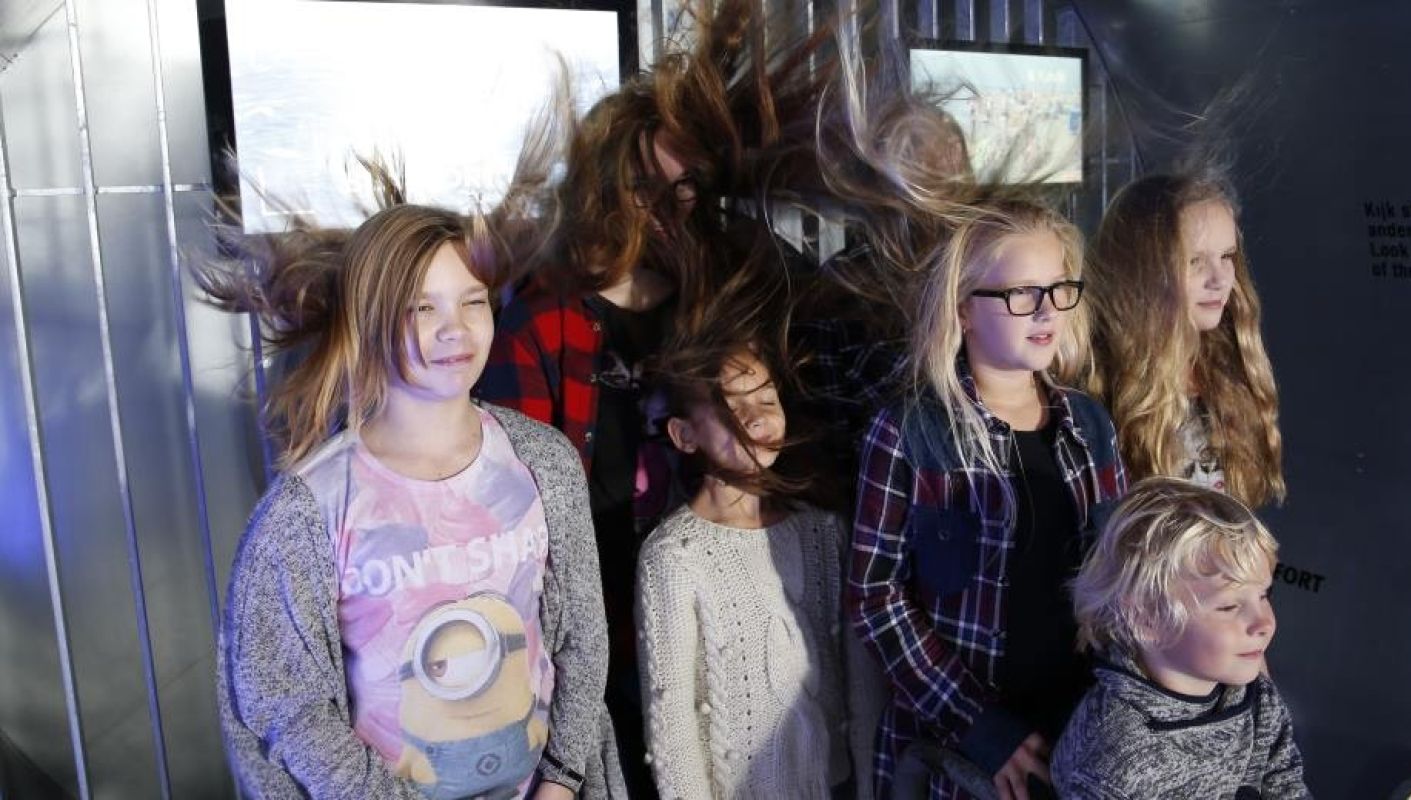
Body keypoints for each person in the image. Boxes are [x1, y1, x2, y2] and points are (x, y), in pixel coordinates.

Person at [208, 202, 618, 798]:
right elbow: (286, 706)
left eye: (472, 301)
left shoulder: (544, 461)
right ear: (368, 321)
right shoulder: (306, 511)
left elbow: (582, 634)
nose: (455, 329)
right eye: (422, 308)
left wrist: (562, 780)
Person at [849, 198, 1127, 800]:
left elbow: (1118, 581)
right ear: (963, 312)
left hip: (1076, 736)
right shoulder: (909, 433)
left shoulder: (1090, 426)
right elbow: (875, 599)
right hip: (957, 749)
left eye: (1058, 288)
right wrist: (980, 727)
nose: (1047, 310)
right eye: (1021, 293)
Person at [635, 314, 855, 797]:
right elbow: (671, 722)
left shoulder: (823, 532)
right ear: (683, 435)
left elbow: (859, 678)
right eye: (732, 408)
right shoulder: (674, 556)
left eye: (767, 400)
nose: (756, 417)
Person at [1052, 476, 1309, 798]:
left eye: (1263, 594)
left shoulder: (1257, 696)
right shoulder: (1116, 767)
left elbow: (1284, 782)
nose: (1263, 622)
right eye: (1229, 606)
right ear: (1147, 619)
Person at [1076, 172, 1285, 507]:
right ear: (1142, 271)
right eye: (1194, 261)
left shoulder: (1226, 368)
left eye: (1227, 256)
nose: (1219, 279)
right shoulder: (1097, 388)